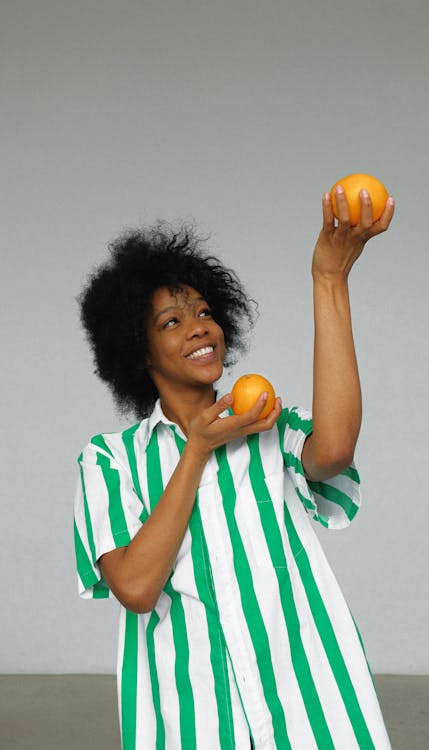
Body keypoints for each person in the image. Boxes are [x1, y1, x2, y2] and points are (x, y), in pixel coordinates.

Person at [73, 187, 395, 749]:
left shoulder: (273, 426)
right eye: (171, 322)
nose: (200, 327)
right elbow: (136, 586)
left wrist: (329, 281)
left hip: (312, 697)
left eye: (203, 313)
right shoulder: (109, 460)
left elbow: (336, 449)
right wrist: (195, 450)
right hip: (191, 716)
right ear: (138, 351)